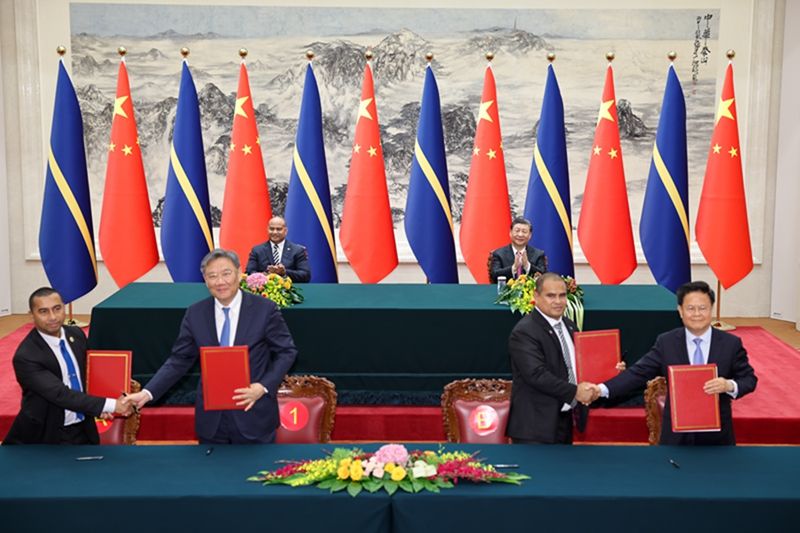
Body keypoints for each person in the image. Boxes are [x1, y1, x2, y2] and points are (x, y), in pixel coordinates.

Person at [126, 249, 297, 444]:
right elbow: (179, 360)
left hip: (254, 414)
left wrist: (263, 386)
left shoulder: (264, 309)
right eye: (212, 276)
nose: (220, 281)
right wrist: (147, 393)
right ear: (205, 280)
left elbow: (287, 351)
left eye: (226, 273)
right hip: (211, 421)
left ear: (239, 273)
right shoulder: (195, 313)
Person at [592, 280, 758, 445]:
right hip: (676, 435)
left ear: (711, 309)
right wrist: (600, 390)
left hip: (718, 435)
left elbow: (749, 379)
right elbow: (638, 373)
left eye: (703, 308)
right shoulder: (667, 342)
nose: (697, 314)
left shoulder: (730, 344)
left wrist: (729, 385)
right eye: (690, 308)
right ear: (680, 311)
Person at [3, 287, 132, 445]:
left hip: (84, 428)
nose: (52, 317)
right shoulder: (27, 356)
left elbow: (88, 376)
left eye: (57, 308)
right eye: (43, 311)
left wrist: (100, 407)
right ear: (32, 315)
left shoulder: (76, 334)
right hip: (47, 435)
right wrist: (111, 405)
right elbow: (60, 394)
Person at [506, 273, 598, 444]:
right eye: (551, 296)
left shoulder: (570, 325)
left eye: (562, 295)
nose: (558, 301)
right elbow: (536, 375)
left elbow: (579, 365)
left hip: (565, 420)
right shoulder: (524, 331)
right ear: (536, 296)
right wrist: (575, 392)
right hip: (534, 428)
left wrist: (609, 370)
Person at [246, 216, 311, 282]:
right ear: (267, 229)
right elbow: (249, 273)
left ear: (285, 231)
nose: (275, 232)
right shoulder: (257, 250)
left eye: (279, 229)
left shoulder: (297, 250)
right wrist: (265, 275)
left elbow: (305, 275)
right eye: (272, 229)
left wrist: (284, 272)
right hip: (264, 288)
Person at [489, 217, 547, 284]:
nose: (520, 235)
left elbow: (543, 277)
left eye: (524, 232)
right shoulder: (498, 254)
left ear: (530, 235)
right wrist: (513, 268)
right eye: (517, 231)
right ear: (510, 233)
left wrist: (527, 266)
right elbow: (494, 276)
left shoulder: (538, 254)